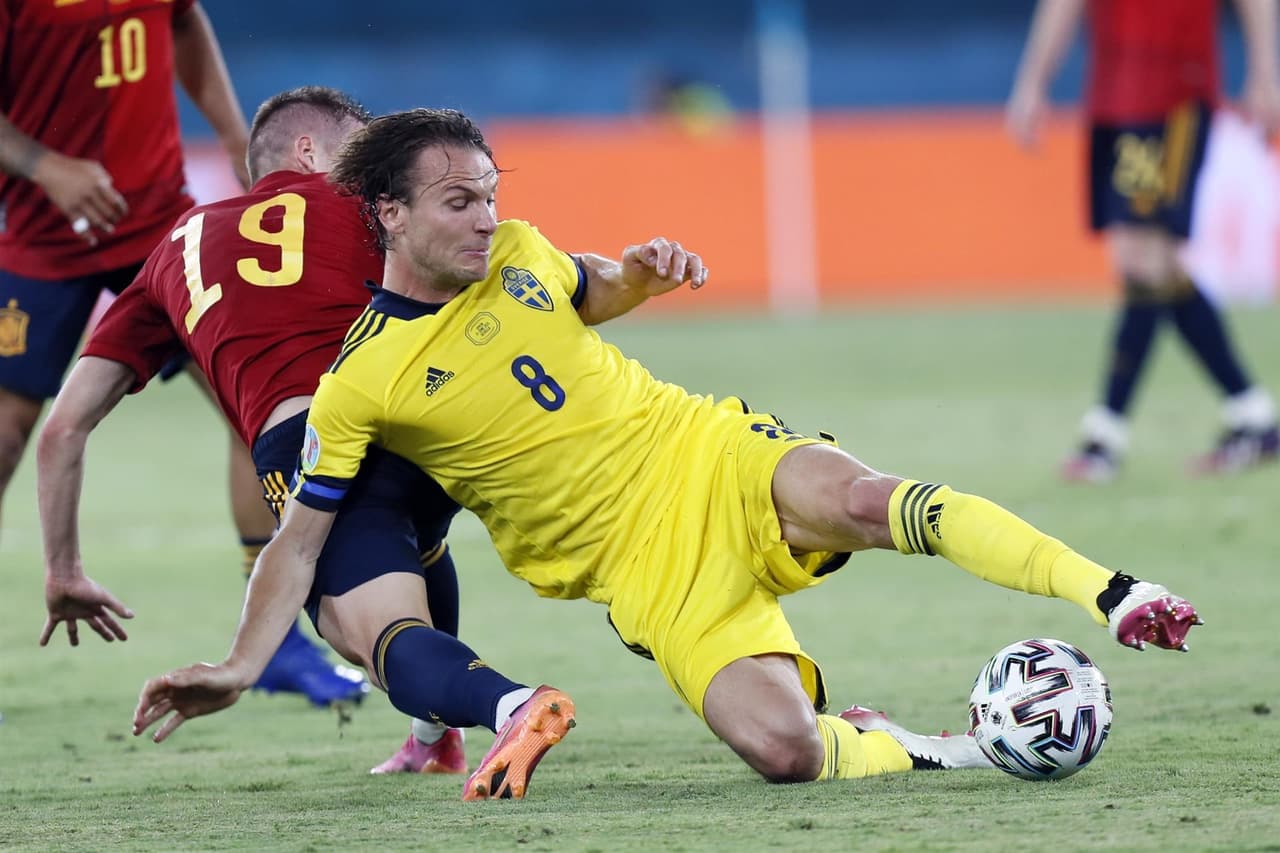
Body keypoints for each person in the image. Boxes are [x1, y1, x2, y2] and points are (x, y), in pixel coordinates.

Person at [132, 108, 1201, 793]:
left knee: (871, 500)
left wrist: (642, 272)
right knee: (781, 751)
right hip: (645, 573)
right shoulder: (361, 380)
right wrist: (237, 660)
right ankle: (946, 745)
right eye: (459, 201)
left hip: (700, 453)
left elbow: (590, 285)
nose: (484, 218)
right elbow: (299, 539)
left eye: (491, 195)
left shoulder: (515, 252)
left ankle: (1110, 591)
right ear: (389, 214)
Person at [36, 86, 567, 780]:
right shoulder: (377, 208)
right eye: (364, 146)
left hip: (315, 446)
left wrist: (64, 568)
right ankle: (433, 737)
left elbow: (65, 426)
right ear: (310, 150)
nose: (379, 165)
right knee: (416, 539)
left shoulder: (180, 246)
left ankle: (514, 705)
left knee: (367, 633)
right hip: (433, 421)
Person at [0, 0, 365, 705]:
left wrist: (234, 135)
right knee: (11, 435)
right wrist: (47, 167)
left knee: (252, 403)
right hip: (42, 239)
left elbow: (184, 21)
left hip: (158, 224)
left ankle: (279, 642)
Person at [1006, 0, 1280, 482]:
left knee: (1142, 260)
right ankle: (1253, 418)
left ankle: (1104, 435)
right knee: (1155, 266)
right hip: (1113, 96)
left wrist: (1264, 71)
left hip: (1174, 92)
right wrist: (1033, 82)